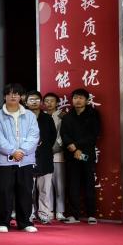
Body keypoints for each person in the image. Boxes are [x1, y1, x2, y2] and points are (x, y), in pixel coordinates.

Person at [0, 83, 40, 233]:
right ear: (4, 96)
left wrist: (22, 151)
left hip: (25, 160)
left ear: (21, 97)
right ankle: (3, 221)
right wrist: (12, 152)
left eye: (16, 93)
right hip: (4, 161)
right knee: (4, 191)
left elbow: (34, 136)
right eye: (10, 93)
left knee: (25, 191)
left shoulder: (30, 115)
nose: (13, 96)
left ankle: (24, 222)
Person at [60, 88, 101, 224]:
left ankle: (91, 215)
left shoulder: (93, 114)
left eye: (81, 98)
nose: (78, 100)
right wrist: (72, 147)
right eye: (75, 98)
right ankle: (74, 215)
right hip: (72, 155)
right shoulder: (68, 116)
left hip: (86, 154)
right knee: (73, 185)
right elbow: (64, 134)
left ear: (87, 100)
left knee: (89, 184)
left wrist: (77, 147)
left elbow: (93, 135)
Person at [26, 90, 56, 224]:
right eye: (31, 99)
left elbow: (53, 136)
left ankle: (44, 213)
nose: (34, 102)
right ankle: (29, 213)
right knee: (28, 189)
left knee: (45, 189)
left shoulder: (47, 118)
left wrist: (43, 145)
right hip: (27, 157)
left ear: (41, 102)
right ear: (26, 102)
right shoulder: (22, 118)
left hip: (45, 157)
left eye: (37, 99)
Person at [43, 92, 67, 221]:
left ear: (57, 103)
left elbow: (64, 134)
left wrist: (55, 148)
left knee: (59, 185)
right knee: (47, 186)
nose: (49, 103)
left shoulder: (62, 116)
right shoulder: (41, 116)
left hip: (58, 156)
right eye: (46, 101)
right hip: (44, 156)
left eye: (52, 101)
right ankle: (49, 210)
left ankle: (60, 211)